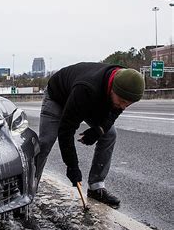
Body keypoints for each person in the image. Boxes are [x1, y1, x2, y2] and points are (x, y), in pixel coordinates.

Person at [36, 62, 145, 207]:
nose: (123, 107)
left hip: (90, 100)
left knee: (109, 134)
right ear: (112, 89)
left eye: (128, 104)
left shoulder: (125, 83)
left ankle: (96, 187)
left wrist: (99, 130)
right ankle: (29, 186)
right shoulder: (87, 89)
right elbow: (66, 130)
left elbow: (114, 112)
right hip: (58, 97)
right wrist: (72, 166)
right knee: (46, 141)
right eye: (122, 101)